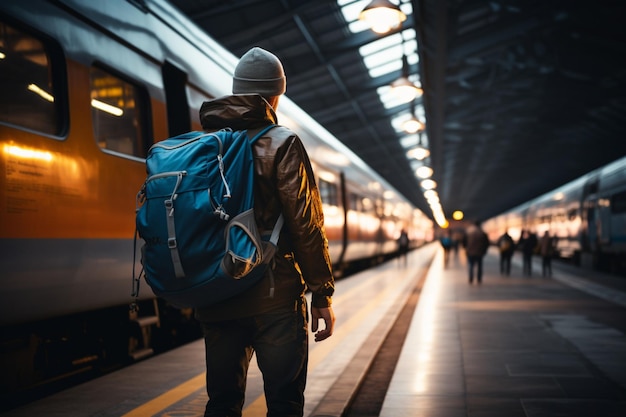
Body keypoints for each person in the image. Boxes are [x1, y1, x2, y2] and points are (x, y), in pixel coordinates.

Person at [194, 47, 336, 417]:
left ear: (237, 89)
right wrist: (322, 293)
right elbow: (306, 226)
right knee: (284, 402)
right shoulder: (282, 142)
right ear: (276, 95)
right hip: (274, 297)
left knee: (222, 403)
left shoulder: (204, 145)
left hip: (218, 293)